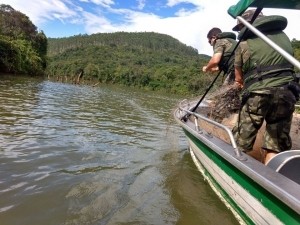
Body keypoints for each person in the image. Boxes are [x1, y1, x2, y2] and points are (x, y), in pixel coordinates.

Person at [232, 9, 298, 164]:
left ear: (245, 24)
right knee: (275, 147)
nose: (240, 30)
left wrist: (241, 85)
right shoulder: (284, 38)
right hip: (287, 94)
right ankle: (271, 178)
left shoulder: (243, 44)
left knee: (241, 143)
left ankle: (237, 174)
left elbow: (238, 78)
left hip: (258, 95)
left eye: (240, 27)